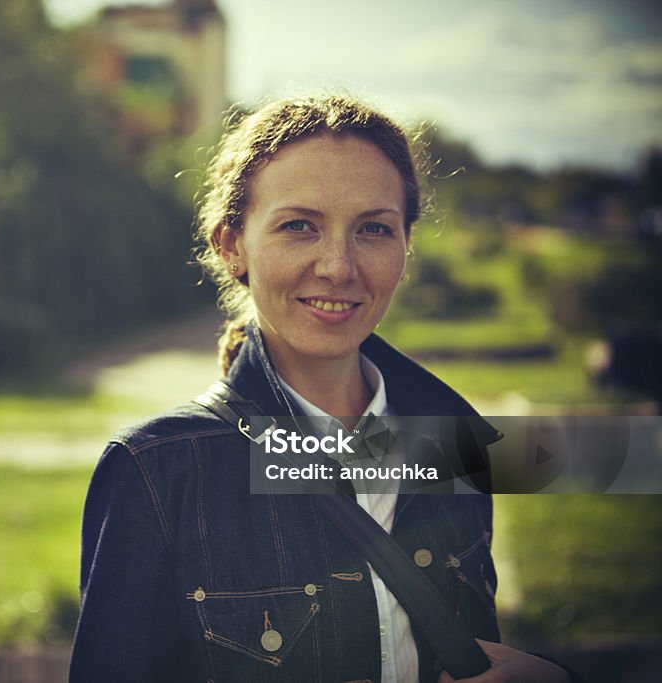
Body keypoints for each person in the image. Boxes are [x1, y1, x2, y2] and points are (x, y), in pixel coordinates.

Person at [68, 95, 570, 682]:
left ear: (406, 248)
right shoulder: (156, 470)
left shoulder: (456, 448)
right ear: (232, 246)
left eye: (374, 229)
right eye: (299, 225)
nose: (338, 266)